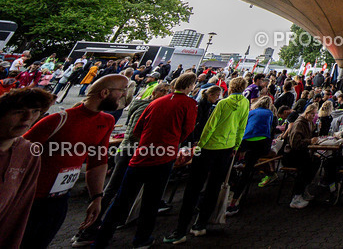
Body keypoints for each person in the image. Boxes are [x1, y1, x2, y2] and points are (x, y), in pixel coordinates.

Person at [92, 73, 198, 249]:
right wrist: (170, 142)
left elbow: (137, 129)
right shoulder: (188, 103)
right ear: (190, 86)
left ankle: (101, 239)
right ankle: (141, 239)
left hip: (140, 156)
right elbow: (188, 130)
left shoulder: (156, 102)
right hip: (164, 157)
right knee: (152, 201)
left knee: (121, 199)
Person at [21, 74, 126, 249]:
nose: (124, 95)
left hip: (60, 199)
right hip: (29, 198)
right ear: (105, 93)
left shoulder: (106, 121)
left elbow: (98, 161)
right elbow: (16, 152)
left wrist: (97, 197)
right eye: (121, 91)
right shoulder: (58, 119)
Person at [165, 75, 249, 242]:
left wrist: (200, 145)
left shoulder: (222, 103)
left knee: (193, 188)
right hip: (227, 147)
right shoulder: (245, 103)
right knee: (214, 187)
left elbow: (211, 125)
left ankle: (180, 231)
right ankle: (201, 224)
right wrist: (236, 145)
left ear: (230, 88)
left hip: (209, 147)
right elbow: (242, 125)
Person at [0, 88, 53, 247]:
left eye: (35, 111)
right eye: (18, 111)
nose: (28, 118)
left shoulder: (29, 152)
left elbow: (20, 208)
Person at [283, 104, 319, 209]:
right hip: (292, 155)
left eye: (315, 114)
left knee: (316, 161)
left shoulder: (309, 123)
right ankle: (297, 196)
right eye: (312, 114)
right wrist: (309, 141)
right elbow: (295, 143)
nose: (314, 116)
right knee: (306, 166)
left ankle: (304, 189)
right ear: (306, 113)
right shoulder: (299, 124)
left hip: (301, 153)